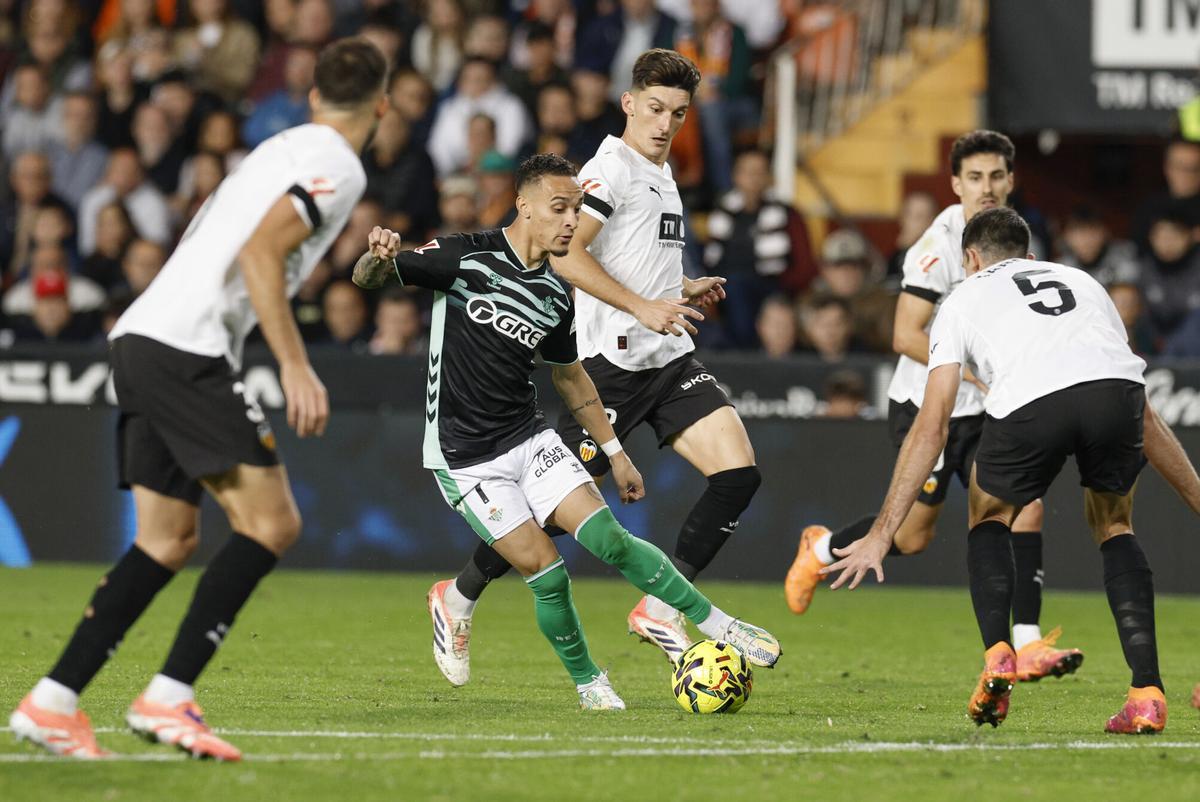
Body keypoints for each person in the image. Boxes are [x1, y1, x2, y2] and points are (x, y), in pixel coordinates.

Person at [8, 37, 388, 761]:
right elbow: (259, 252)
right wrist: (296, 366)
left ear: (313, 96)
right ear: (383, 104)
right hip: (188, 347)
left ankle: (52, 702)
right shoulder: (339, 161)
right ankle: (168, 694)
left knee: (166, 540)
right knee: (272, 523)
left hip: (141, 336)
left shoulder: (273, 150)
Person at [352, 153, 779, 705]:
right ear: (524, 206)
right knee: (548, 573)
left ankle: (718, 623)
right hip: (466, 457)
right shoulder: (465, 256)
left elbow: (572, 378)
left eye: (577, 209)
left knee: (611, 541)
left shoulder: (555, 294)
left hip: (528, 438)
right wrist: (376, 256)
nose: (573, 221)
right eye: (560, 208)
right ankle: (588, 682)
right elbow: (370, 277)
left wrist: (616, 454)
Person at [428, 49, 760, 681]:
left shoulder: (661, 173)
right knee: (551, 517)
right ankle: (459, 595)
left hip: (666, 359)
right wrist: (642, 306)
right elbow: (568, 255)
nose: (665, 123)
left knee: (738, 474)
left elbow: (629, 257)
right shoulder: (609, 170)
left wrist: (678, 287)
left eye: (678, 113)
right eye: (655, 108)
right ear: (629, 104)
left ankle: (661, 609)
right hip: (609, 365)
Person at [824, 207, 1200, 734]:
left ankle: (999, 654)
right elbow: (1143, 407)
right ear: (1030, 255)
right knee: (1115, 525)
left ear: (971, 259)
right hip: (1116, 397)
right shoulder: (1082, 280)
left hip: (1031, 402)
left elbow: (931, 426)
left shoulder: (961, 299)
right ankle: (1146, 693)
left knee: (990, 515)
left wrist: (883, 532)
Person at [785, 131, 1083, 684]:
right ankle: (821, 547)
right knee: (912, 536)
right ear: (955, 184)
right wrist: (977, 372)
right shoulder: (940, 245)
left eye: (996, 176)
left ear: (1011, 180)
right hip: (928, 403)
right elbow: (904, 334)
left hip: (988, 407)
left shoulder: (1016, 237)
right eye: (975, 177)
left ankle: (1027, 642)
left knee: (1025, 506)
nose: (986, 187)